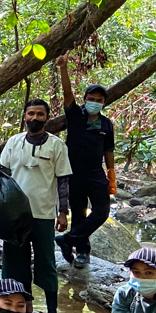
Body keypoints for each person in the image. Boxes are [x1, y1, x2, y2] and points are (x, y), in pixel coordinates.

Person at [0, 99, 72, 313]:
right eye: (31, 113)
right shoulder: (14, 142)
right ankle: (18, 307)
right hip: (14, 215)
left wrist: (63, 212)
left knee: (46, 263)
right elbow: (3, 176)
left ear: (47, 118)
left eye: (40, 114)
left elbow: (62, 180)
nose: (35, 118)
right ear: (24, 116)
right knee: (13, 263)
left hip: (43, 214)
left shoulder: (56, 145)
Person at [54, 56, 117, 269]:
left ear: (104, 103)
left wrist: (111, 173)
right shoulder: (76, 115)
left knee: (102, 211)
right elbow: (67, 93)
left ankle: (67, 240)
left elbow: (108, 149)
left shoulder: (106, 124)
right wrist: (63, 68)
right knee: (79, 211)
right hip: (74, 172)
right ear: (85, 98)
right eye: (92, 98)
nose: (95, 102)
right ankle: (82, 252)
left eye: (99, 100)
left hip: (95, 173)